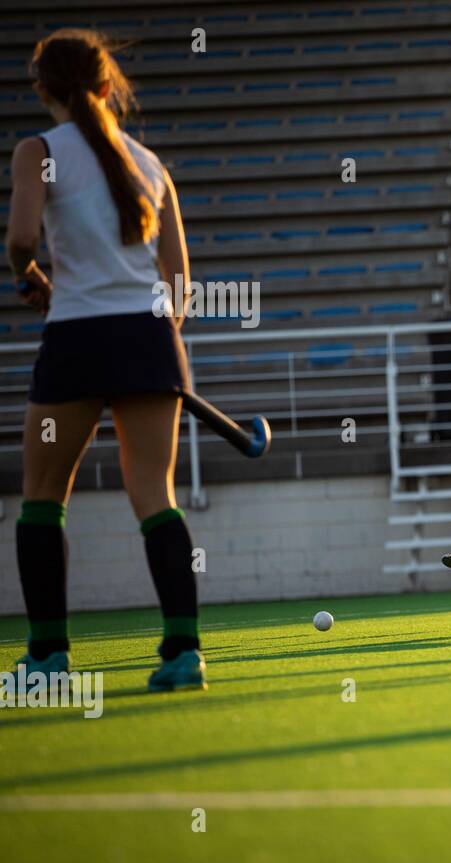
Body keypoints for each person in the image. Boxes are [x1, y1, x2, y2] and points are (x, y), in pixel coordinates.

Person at [5, 29, 206, 690]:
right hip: (149, 339)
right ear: (105, 83)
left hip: (76, 340)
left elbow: (21, 238)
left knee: (42, 497)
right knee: (156, 496)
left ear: (43, 89)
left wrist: (29, 275)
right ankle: (183, 653)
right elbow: (179, 282)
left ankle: (48, 660)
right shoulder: (150, 162)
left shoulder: (38, 151)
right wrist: (156, 337)